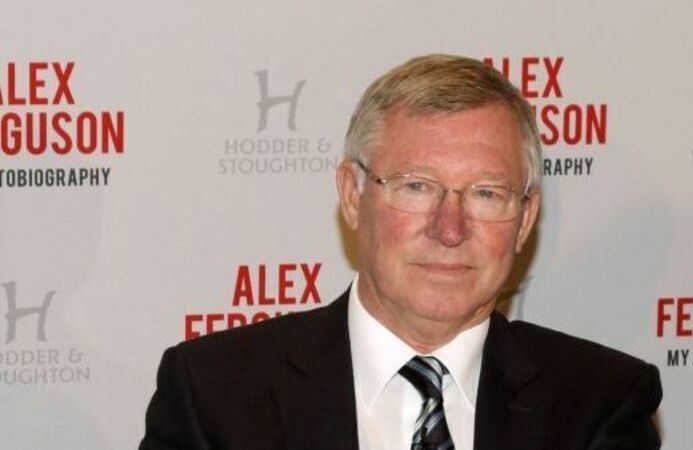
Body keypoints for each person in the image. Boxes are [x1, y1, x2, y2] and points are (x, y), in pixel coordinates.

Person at [140, 54, 662, 450]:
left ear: (525, 219)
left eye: (486, 194)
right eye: (416, 187)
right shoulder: (215, 395)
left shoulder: (600, 402)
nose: (450, 229)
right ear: (352, 195)